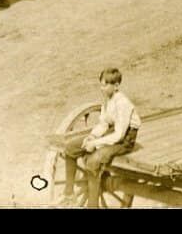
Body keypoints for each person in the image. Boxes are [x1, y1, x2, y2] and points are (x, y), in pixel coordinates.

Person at [58, 67, 141, 208]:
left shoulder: (123, 103)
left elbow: (119, 135)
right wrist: (92, 136)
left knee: (93, 161)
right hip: (111, 132)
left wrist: (96, 144)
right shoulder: (107, 100)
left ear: (116, 86)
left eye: (105, 85)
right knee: (71, 147)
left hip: (125, 139)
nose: (102, 88)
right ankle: (69, 194)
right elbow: (103, 124)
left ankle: (93, 205)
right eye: (101, 84)